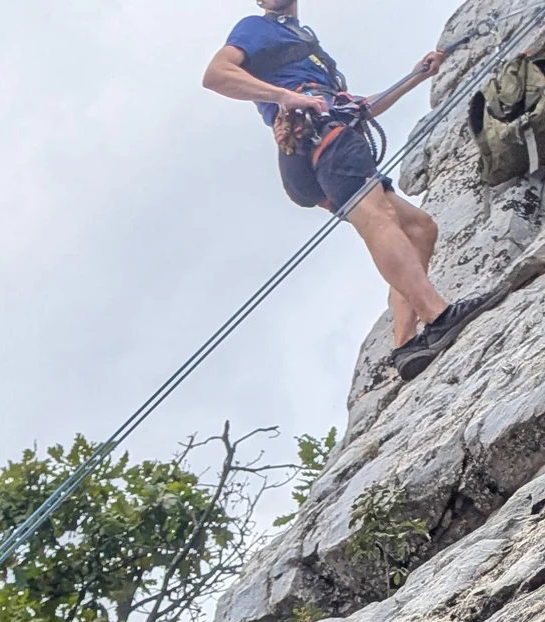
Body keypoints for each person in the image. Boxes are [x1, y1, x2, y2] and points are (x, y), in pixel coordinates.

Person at [204, 6, 493, 372]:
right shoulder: (256, 28)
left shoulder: (306, 45)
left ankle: (406, 345)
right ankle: (437, 315)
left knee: (420, 228)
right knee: (378, 217)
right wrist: (283, 97)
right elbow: (216, 74)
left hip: (332, 135)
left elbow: (359, 107)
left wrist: (417, 76)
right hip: (323, 138)